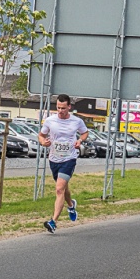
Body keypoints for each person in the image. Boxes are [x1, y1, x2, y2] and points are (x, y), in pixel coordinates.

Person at [38, 94, 90, 233]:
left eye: (63, 108)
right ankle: (71, 205)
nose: (60, 111)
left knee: (59, 189)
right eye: (58, 108)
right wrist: (43, 142)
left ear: (69, 107)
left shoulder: (76, 121)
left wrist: (80, 140)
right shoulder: (50, 120)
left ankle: (53, 222)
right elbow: (41, 136)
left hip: (69, 158)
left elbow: (85, 133)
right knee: (63, 188)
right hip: (54, 159)